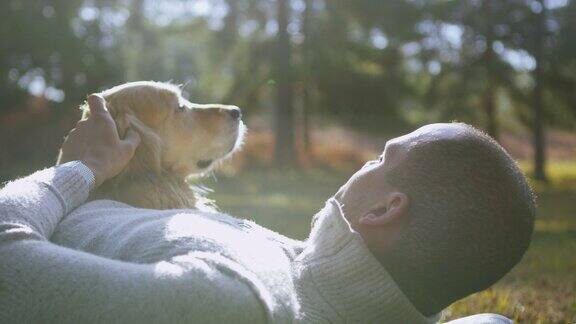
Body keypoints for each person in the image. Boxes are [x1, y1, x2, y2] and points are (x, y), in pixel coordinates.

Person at [0, 95, 534, 323]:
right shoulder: (305, 276)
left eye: (380, 157)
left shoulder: (240, 297)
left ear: (384, 210)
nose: (361, 166)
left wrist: (80, 169)